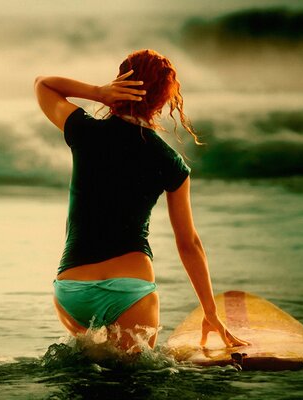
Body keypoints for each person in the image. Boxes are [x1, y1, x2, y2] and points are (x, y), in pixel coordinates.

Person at [34, 49, 248, 351]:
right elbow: (189, 244)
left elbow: (43, 84)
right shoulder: (170, 161)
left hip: (72, 290)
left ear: (120, 81)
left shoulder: (84, 131)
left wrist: (98, 93)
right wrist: (210, 312)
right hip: (130, 292)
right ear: (163, 99)